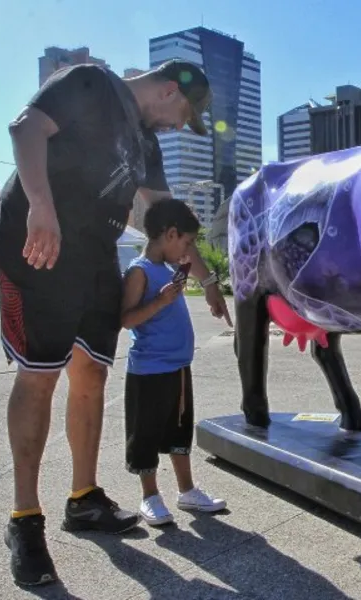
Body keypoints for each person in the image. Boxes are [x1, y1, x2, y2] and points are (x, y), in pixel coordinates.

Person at [0, 59, 232, 587]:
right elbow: (26, 127)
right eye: (182, 116)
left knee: (92, 374)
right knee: (39, 375)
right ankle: (25, 521)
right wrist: (40, 204)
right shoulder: (92, 83)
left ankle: (83, 498)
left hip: (96, 255)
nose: (176, 127)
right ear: (170, 90)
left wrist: (209, 280)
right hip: (35, 242)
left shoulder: (145, 145)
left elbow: (165, 217)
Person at [121, 199, 226, 526]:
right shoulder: (139, 271)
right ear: (169, 234)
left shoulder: (168, 270)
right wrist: (161, 300)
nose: (189, 249)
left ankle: (187, 490)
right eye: (187, 241)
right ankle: (149, 496)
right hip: (149, 370)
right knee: (146, 433)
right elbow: (126, 318)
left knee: (179, 429)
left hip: (177, 368)